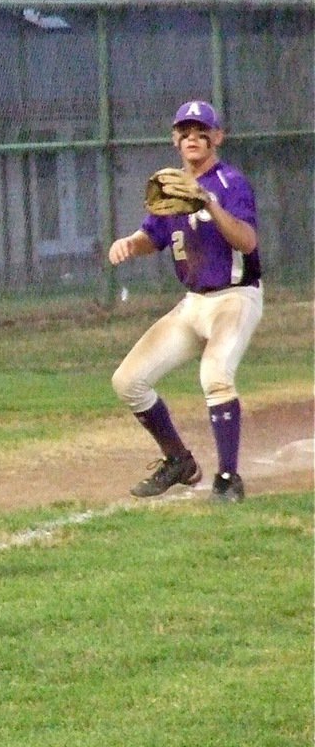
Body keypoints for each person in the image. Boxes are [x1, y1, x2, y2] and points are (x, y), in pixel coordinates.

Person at [108, 100, 262, 503]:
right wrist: (129, 243)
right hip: (193, 303)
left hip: (235, 297)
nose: (193, 137)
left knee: (215, 376)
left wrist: (207, 203)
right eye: (185, 131)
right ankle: (178, 460)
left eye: (201, 130)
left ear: (218, 137)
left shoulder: (230, 183)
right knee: (128, 381)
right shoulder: (170, 184)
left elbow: (247, 242)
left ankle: (228, 479)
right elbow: (152, 238)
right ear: (175, 139)